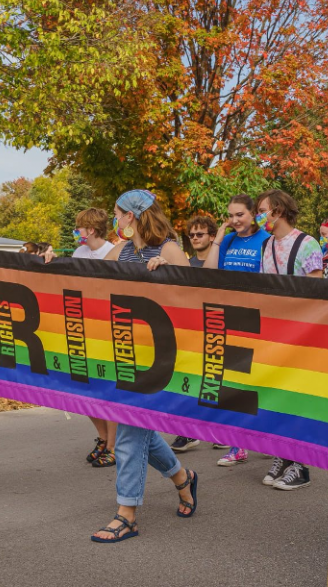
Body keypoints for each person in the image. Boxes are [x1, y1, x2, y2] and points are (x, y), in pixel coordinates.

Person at [93, 189, 198, 543]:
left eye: (117, 213)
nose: (114, 219)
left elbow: (194, 298)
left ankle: (126, 514)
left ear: (131, 216)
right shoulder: (119, 251)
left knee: (127, 434)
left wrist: (169, 274)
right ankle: (183, 479)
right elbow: (81, 274)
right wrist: (46, 263)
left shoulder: (168, 248)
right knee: (139, 430)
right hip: (123, 354)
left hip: (158, 361)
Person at [191, 194, 271, 464]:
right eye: (231, 215)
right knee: (234, 384)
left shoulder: (267, 240)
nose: (236, 220)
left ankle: (269, 439)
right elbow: (210, 272)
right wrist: (221, 234)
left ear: (253, 214)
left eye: (241, 215)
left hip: (259, 320)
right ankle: (238, 445)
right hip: (230, 320)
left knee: (260, 384)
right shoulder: (227, 240)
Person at [255, 189, 324, 491]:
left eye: (262, 210)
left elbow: (318, 291)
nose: (260, 216)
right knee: (279, 397)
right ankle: (283, 455)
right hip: (275, 333)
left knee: (300, 398)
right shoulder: (266, 245)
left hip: (303, 334)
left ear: (278, 210)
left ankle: (302, 464)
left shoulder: (307, 244)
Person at [167, 214, 233, 454]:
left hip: (219, 326)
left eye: (199, 234)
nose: (194, 238)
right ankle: (187, 432)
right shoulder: (186, 263)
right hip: (192, 330)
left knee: (216, 381)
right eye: (191, 234)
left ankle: (221, 431)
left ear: (212, 236)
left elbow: (210, 277)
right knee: (189, 380)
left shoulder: (222, 260)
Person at [72, 208, 118, 468]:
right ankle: (102, 437)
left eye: (79, 227)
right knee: (84, 388)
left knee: (107, 389)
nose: (77, 231)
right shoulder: (79, 253)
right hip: (82, 326)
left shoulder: (113, 251)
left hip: (107, 329)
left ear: (90, 229)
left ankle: (113, 445)